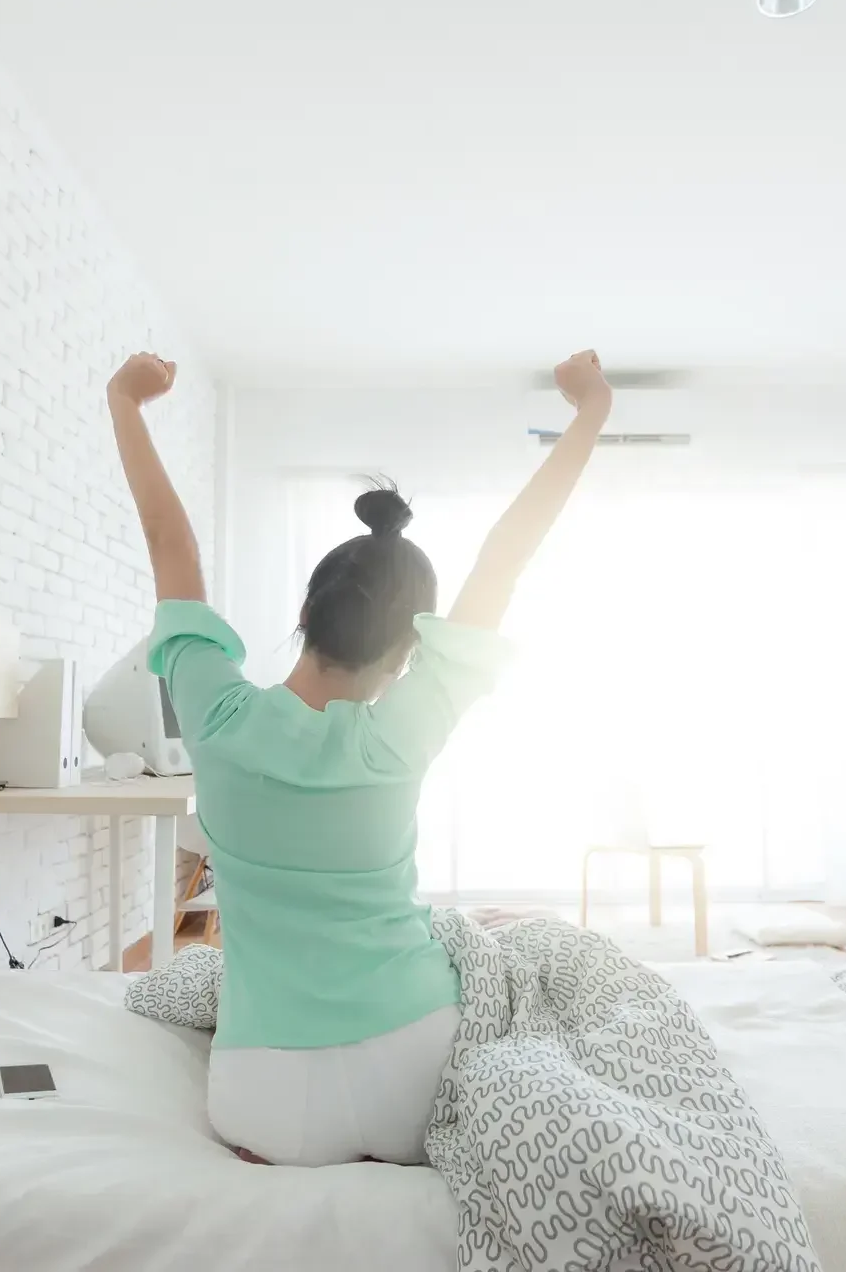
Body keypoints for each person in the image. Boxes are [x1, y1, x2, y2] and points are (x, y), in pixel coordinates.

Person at [106, 348, 615, 1167]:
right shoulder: (403, 728)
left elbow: (170, 544)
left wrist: (125, 401)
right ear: (411, 652)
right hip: (414, 1072)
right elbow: (507, 555)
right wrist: (590, 408)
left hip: (263, 1101)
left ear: (306, 609)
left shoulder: (216, 713)